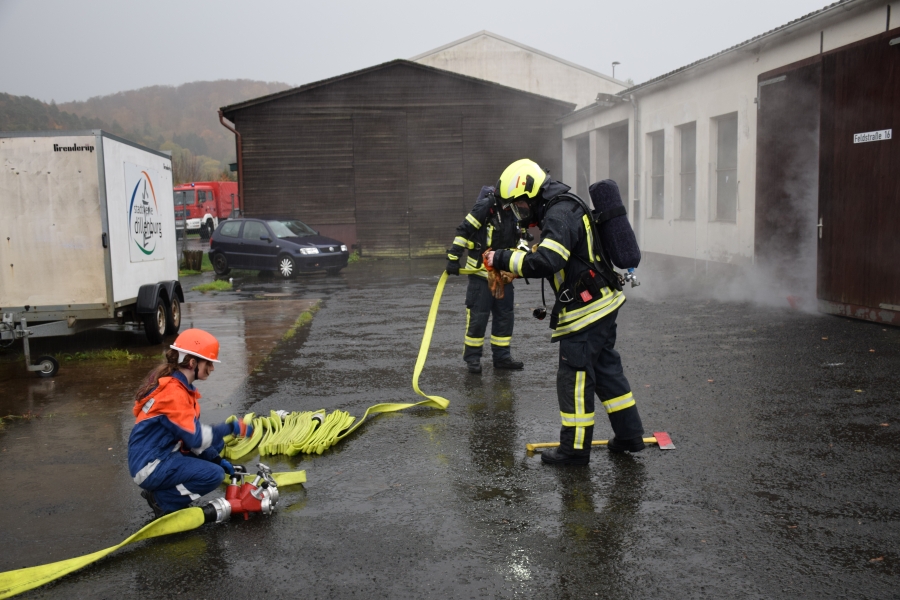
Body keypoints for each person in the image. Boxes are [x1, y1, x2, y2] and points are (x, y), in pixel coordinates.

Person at [485, 159, 645, 465]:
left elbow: (548, 261)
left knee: (574, 379)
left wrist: (502, 259)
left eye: (520, 208)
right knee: (607, 372)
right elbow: (555, 254)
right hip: (602, 304)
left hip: (585, 313)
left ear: (531, 195)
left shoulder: (558, 213)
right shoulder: (563, 208)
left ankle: (574, 451)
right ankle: (629, 436)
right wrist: (518, 261)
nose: (521, 217)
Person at [128, 328, 252, 517]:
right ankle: (163, 501)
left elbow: (188, 439)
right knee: (213, 475)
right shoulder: (174, 394)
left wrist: (216, 459)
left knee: (216, 444)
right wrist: (231, 428)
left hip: (159, 453)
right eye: (209, 363)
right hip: (150, 465)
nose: (212, 368)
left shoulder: (180, 388)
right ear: (193, 362)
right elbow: (195, 439)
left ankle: (165, 490)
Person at [446, 185, 524, 374]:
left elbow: (521, 237)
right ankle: (473, 359)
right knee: (478, 318)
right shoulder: (485, 207)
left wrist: (521, 253)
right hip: (481, 276)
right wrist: (453, 257)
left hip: (504, 277)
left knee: (505, 317)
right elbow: (463, 230)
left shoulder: (512, 211)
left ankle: (502, 358)